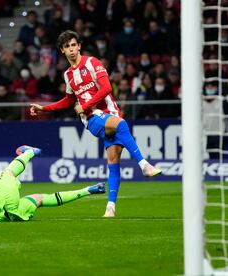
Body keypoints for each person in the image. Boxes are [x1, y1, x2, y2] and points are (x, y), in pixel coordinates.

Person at [30, 30, 161, 218]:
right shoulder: (68, 75)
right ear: (62, 51)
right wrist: (45, 108)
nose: (72, 49)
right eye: (67, 47)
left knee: (113, 161)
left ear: (79, 45)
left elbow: (107, 88)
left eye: (74, 45)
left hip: (109, 112)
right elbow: (68, 100)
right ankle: (144, 164)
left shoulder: (92, 63)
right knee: (122, 125)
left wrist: (84, 104)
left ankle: (110, 207)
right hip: (92, 119)